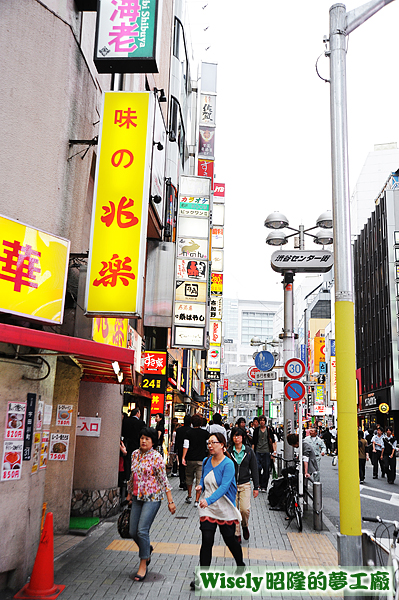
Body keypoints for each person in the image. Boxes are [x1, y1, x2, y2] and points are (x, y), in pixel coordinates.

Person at [190, 432, 245, 590]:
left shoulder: (228, 464)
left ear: (222, 445)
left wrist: (208, 500)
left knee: (229, 539)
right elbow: (204, 477)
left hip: (224, 505)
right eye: (208, 443)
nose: (210, 445)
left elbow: (224, 487)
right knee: (207, 540)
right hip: (208, 508)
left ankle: (240, 565)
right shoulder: (207, 460)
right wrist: (201, 485)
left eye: (213, 442)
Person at [127, 427, 176, 581]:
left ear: (153, 442)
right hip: (137, 497)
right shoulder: (135, 454)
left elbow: (163, 480)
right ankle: (146, 548)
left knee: (142, 530)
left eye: (147, 438)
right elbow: (132, 476)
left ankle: (143, 563)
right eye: (142, 437)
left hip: (153, 498)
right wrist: (129, 494)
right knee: (132, 532)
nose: (143, 441)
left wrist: (171, 501)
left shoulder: (156, 457)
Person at [228, 427, 259, 542]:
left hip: (245, 483)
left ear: (243, 437)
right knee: (234, 510)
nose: (236, 438)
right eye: (234, 436)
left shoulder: (249, 451)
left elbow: (254, 469)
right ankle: (237, 533)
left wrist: (256, 486)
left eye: (239, 436)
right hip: (231, 485)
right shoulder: (228, 451)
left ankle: (245, 525)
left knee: (244, 509)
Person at [182, 414, 209, 506]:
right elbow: (208, 446)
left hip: (190, 458)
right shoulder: (205, 433)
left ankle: (189, 496)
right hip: (201, 459)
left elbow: (186, 446)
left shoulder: (188, 432)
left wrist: (183, 457)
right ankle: (197, 500)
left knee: (189, 478)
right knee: (199, 479)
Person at [252, 415, 276, 492]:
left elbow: (273, 441)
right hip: (258, 451)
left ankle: (264, 486)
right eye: (261, 420)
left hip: (266, 452)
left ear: (265, 421)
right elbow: (254, 442)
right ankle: (259, 483)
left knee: (266, 469)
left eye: (263, 420)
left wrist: (274, 452)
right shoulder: (256, 430)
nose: (262, 422)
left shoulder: (269, 430)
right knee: (257, 468)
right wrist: (252, 453)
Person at [122, 408, 145, 478]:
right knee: (136, 460)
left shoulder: (125, 421)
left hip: (127, 444)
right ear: (137, 413)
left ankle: (127, 476)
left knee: (127, 460)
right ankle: (135, 476)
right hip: (137, 444)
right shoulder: (141, 423)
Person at [174, 415, 191, 490]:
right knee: (187, 467)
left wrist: (175, 450)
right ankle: (186, 482)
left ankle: (182, 481)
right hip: (189, 450)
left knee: (181, 466)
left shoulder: (179, 430)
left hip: (180, 449)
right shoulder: (191, 430)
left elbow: (177, 441)